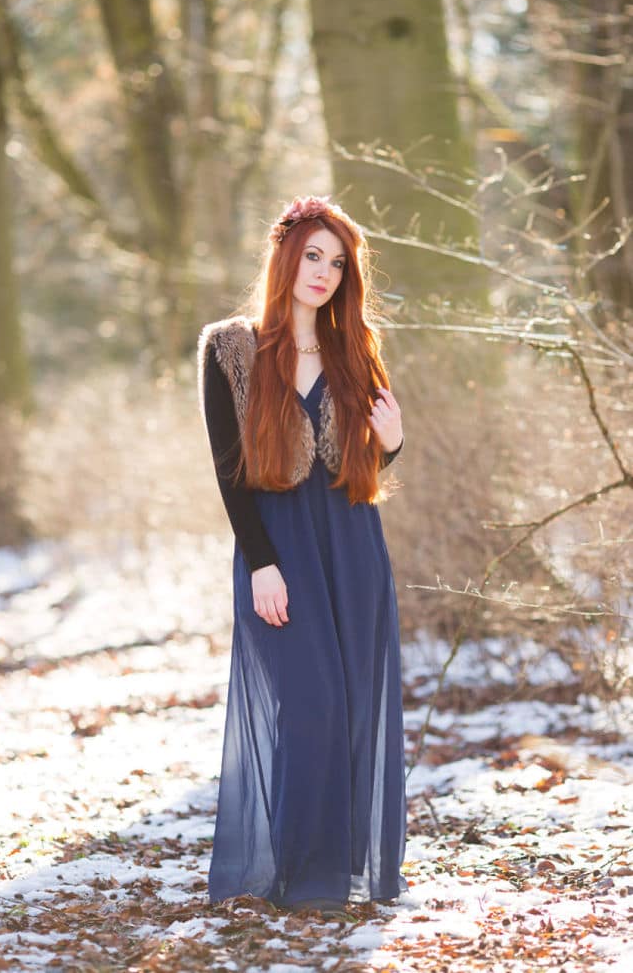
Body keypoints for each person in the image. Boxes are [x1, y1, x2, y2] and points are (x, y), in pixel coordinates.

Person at [197, 194, 408, 913]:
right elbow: (229, 472)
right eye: (313, 256)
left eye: (339, 263)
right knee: (308, 704)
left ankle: (340, 871)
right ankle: (296, 871)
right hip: (279, 545)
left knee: (350, 708)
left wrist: (395, 438)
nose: (324, 272)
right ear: (286, 256)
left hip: (352, 544)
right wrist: (260, 563)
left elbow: (370, 463)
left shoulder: (358, 347)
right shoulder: (229, 347)